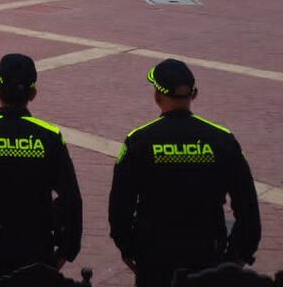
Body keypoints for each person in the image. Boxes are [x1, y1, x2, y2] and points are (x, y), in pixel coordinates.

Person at [108, 59, 261, 287]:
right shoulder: (222, 140)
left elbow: (120, 206)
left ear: (157, 96)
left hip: (154, 256)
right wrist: (236, 257)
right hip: (207, 255)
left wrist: (128, 248)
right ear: (194, 94)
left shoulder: (139, 141)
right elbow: (248, 207)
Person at [0, 54, 82, 281]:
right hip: (38, 251)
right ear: (33, 94)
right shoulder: (50, 136)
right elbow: (71, 199)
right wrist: (66, 250)